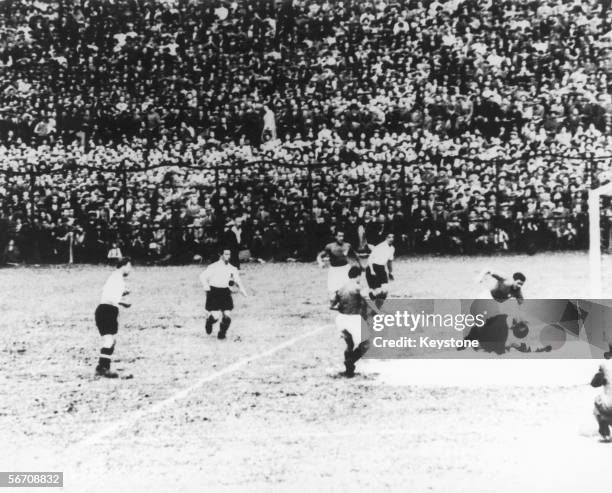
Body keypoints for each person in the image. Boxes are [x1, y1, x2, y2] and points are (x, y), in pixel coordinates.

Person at [94, 257, 132, 378]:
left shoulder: (115, 277)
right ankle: (103, 368)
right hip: (107, 310)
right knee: (109, 340)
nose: (130, 270)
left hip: (107, 310)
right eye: (130, 267)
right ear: (124, 265)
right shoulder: (117, 278)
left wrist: (122, 293)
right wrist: (123, 302)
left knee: (111, 340)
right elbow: (110, 298)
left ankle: (102, 367)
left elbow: (108, 292)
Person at [200, 248, 248, 339]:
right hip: (214, 292)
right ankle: (209, 322)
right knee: (215, 316)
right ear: (221, 255)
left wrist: (242, 290)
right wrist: (206, 286)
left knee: (227, 316)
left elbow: (237, 280)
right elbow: (202, 276)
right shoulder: (213, 267)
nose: (228, 256)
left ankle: (222, 333)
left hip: (225, 292)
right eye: (226, 254)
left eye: (229, 254)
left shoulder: (232, 268)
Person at [334, 266, 370, 377]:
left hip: (341, 319)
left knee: (349, 344)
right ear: (358, 275)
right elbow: (367, 302)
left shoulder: (340, 288)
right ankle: (350, 361)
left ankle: (349, 371)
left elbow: (333, 305)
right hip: (353, 318)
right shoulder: (358, 288)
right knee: (366, 344)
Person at [317, 230, 358, 308]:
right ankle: (334, 302)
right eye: (339, 236)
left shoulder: (347, 245)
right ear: (335, 236)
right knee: (333, 292)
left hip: (345, 269)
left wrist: (360, 265)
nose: (341, 238)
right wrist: (320, 263)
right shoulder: (329, 246)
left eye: (342, 236)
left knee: (346, 288)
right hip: (334, 270)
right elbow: (319, 256)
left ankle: (344, 303)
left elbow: (355, 256)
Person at [366, 233, 395, 302]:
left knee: (385, 291)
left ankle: (374, 297)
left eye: (392, 237)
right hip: (372, 267)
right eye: (389, 237)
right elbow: (370, 259)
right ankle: (372, 294)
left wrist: (390, 272)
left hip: (381, 268)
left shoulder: (392, 248)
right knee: (377, 293)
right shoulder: (380, 247)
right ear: (386, 238)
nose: (391, 239)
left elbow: (389, 262)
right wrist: (372, 270)